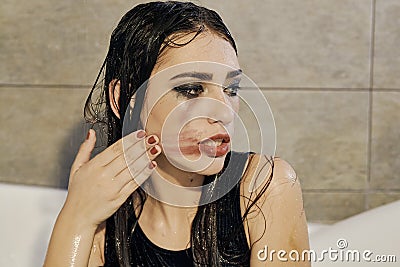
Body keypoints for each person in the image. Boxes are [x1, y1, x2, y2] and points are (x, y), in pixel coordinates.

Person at [44, 1, 310, 266]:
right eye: (192, 89)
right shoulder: (102, 220)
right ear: (123, 98)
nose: (225, 112)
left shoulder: (265, 186)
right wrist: (77, 216)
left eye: (231, 89)